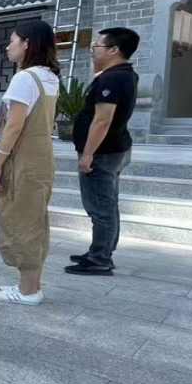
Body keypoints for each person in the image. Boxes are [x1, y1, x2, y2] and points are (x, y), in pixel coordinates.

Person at [0, 21, 60, 305]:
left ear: (27, 43)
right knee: (35, 220)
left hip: (23, 159)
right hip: (41, 158)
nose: (8, 47)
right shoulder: (49, 77)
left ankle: (28, 290)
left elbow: (14, 126)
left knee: (20, 220)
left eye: (12, 41)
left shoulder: (25, 78)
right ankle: (30, 284)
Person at [65, 27, 139, 276]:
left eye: (97, 46)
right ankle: (101, 250)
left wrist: (88, 154)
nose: (93, 50)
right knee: (107, 204)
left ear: (114, 50)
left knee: (100, 208)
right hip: (115, 148)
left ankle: (100, 258)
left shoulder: (112, 79)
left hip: (102, 153)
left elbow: (101, 121)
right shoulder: (123, 74)